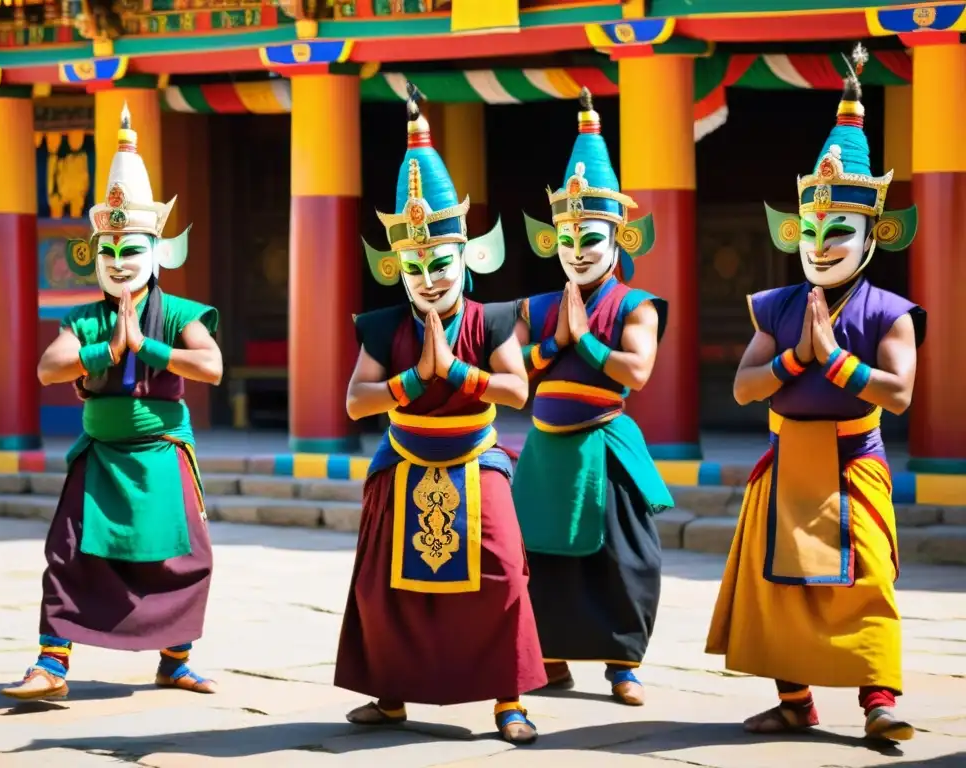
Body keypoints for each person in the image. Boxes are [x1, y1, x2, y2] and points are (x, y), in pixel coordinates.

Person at [705, 44, 925, 742]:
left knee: (868, 583)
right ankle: (795, 699)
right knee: (778, 591)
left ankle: (879, 703)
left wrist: (832, 364)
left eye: (840, 229)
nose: (821, 242)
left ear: (873, 233)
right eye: (811, 228)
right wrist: (797, 355)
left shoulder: (889, 311)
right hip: (782, 463)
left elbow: (898, 394)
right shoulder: (777, 304)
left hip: (855, 463)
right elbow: (744, 386)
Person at [334, 84, 546, 745]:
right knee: (384, 589)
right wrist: (410, 380)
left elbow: (517, 392)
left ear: (467, 256)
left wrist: (455, 373)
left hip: (475, 459)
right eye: (415, 263)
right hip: (403, 461)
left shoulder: (492, 319)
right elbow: (355, 400)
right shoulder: (384, 326)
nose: (429, 275)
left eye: (440, 260)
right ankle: (392, 694)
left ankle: (509, 700)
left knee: (504, 573)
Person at [1, 104, 223, 701]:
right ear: (95, 256)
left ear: (156, 251)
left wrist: (147, 345)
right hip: (100, 452)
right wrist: (103, 350)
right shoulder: (84, 316)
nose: (121, 264)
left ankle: (174, 660)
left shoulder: (179, 313)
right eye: (110, 253)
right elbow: (50, 368)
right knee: (69, 551)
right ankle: (51, 663)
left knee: (183, 558)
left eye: (132, 250)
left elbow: (211, 366)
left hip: (162, 450)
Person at [511, 88, 675, 706]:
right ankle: (550, 660)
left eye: (591, 235)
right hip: (545, 450)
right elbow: (513, 373)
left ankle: (622, 667)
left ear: (618, 236)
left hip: (605, 445)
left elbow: (637, 372)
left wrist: (586, 340)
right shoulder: (536, 305)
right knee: (541, 560)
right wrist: (553, 345)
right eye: (567, 235)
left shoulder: (637, 305)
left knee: (626, 562)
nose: (577, 248)